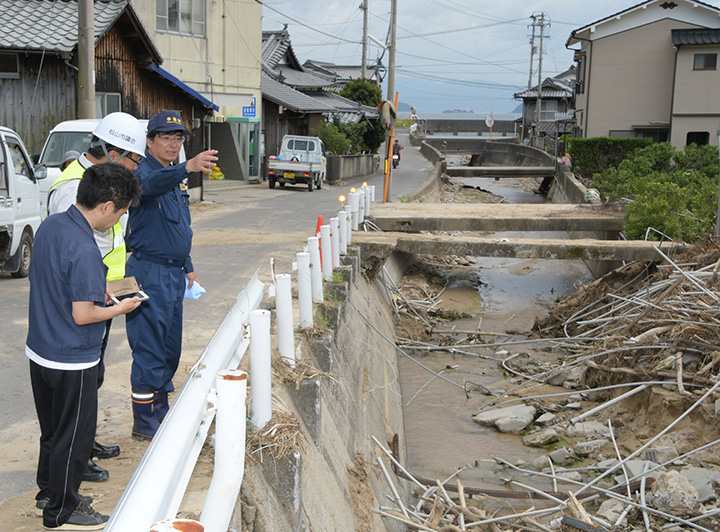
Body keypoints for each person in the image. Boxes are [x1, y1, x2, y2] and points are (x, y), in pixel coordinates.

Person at [27, 163, 142, 530]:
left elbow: (55, 281)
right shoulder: (87, 249)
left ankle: (48, 490)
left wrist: (100, 290)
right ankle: (62, 507)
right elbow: (83, 314)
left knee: (52, 430)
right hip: (72, 358)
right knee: (74, 438)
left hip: (40, 349)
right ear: (107, 206)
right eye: (121, 212)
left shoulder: (52, 226)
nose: (118, 220)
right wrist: (120, 306)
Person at [47, 112, 146, 483]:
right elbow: (71, 252)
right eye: (134, 158)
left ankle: (84, 442)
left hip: (100, 293)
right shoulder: (73, 188)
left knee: (93, 379)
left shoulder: (103, 184)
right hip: (81, 303)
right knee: (78, 386)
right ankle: (74, 457)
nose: (136, 167)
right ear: (114, 150)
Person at [125, 111, 218, 440]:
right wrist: (187, 166)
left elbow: (179, 228)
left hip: (173, 272)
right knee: (148, 347)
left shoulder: (171, 176)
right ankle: (144, 420)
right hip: (147, 271)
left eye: (177, 138)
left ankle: (161, 408)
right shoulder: (143, 174)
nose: (173, 143)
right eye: (165, 137)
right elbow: (147, 189)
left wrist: (188, 265)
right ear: (149, 141)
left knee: (169, 347)